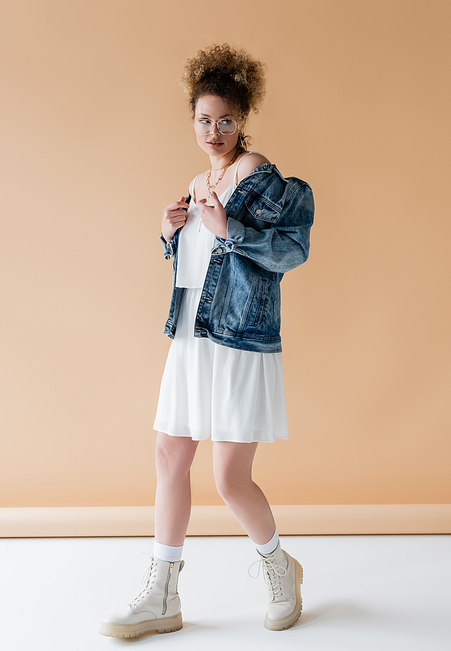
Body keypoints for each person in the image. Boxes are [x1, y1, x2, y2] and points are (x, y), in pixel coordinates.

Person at [100, 43, 314, 638]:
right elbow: (201, 268)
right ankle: (162, 594)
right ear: (192, 120)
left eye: (224, 120)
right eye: (203, 119)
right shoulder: (198, 180)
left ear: (243, 120)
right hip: (191, 340)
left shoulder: (258, 175)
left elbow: (289, 249)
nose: (213, 131)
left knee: (229, 479)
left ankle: (281, 568)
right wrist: (172, 235)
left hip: (238, 344)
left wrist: (229, 228)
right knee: (170, 457)